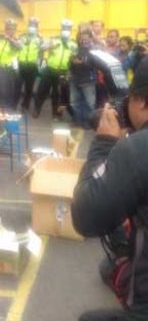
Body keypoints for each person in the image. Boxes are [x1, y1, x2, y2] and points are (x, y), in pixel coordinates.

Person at [71, 58, 148, 321]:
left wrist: (104, 144)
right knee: (110, 268)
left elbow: (85, 217)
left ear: (140, 101)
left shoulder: (138, 150)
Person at [33, 20, 76, 119]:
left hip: (63, 71)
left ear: (70, 30)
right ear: (61, 29)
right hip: (49, 69)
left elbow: (75, 57)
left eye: (68, 29)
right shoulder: (54, 39)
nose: (66, 30)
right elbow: (42, 47)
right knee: (42, 91)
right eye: (64, 28)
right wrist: (49, 46)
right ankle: (37, 109)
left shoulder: (73, 43)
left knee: (58, 93)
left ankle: (55, 113)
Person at [69, 28, 96, 128]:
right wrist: (72, 61)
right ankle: (78, 121)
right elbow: (70, 63)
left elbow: (95, 65)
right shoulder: (76, 49)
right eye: (81, 37)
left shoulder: (94, 50)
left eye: (86, 38)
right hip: (74, 79)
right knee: (74, 103)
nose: (83, 39)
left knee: (89, 104)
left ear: (90, 38)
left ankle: (87, 123)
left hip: (88, 80)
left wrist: (83, 63)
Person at [0, 19, 21, 110]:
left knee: (8, 90)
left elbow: (19, 47)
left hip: (8, 69)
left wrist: (10, 39)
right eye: (7, 28)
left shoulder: (16, 40)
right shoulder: (0, 39)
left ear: (14, 30)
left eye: (11, 29)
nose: (9, 31)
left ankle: (7, 108)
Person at [16, 17, 42, 112]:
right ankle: (14, 104)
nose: (32, 27)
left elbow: (41, 52)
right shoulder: (22, 36)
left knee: (29, 88)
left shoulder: (39, 38)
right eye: (31, 25)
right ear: (28, 26)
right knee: (17, 86)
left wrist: (40, 64)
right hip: (22, 65)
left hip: (32, 66)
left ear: (37, 27)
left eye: (34, 26)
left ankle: (25, 106)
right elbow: (17, 48)